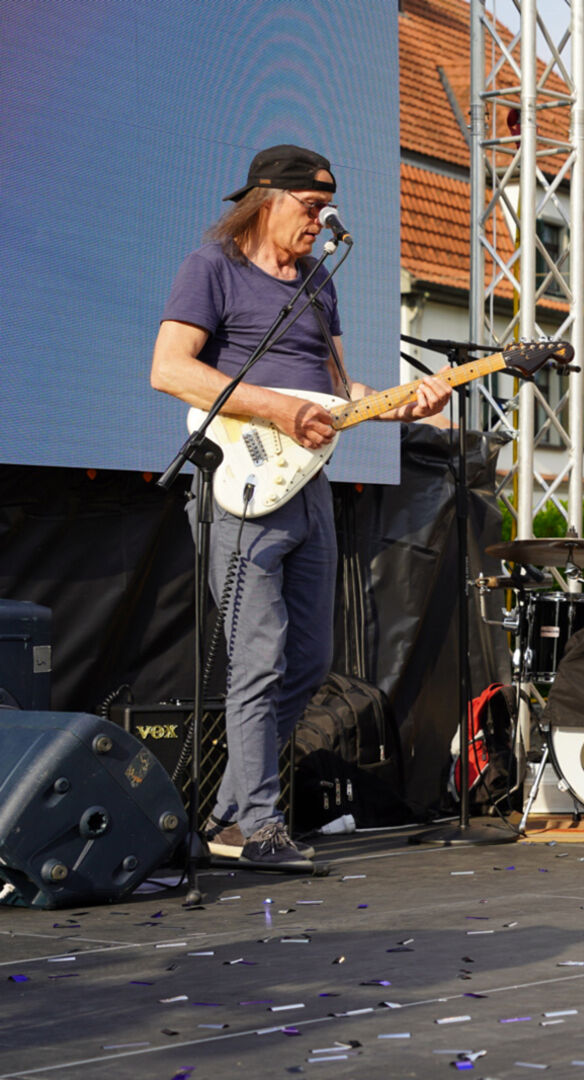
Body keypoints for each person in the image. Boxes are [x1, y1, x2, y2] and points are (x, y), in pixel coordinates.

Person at [150, 146, 450, 867]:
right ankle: (258, 823)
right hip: (241, 483)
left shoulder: (316, 280)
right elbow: (170, 369)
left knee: (309, 663)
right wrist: (276, 408)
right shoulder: (212, 268)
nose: (321, 223)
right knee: (258, 658)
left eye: (326, 210)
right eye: (311, 208)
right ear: (267, 199)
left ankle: (229, 816)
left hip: (307, 484)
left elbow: (340, 393)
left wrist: (404, 405)